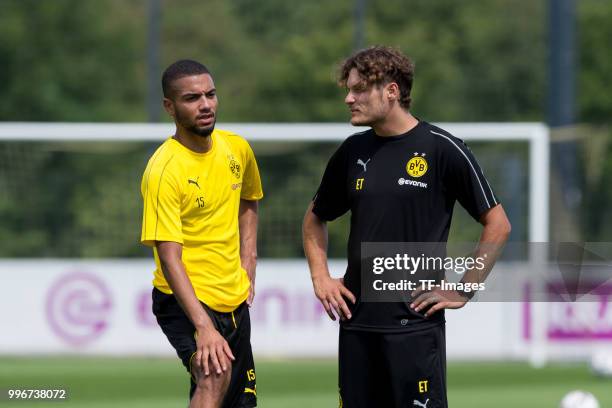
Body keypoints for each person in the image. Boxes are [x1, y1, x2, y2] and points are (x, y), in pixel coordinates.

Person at [302, 46, 511, 408]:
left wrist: (464, 290)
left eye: (359, 89)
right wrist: (320, 276)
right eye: (348, 90)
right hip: (357, 326)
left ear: (391, 91)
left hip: (414, 328)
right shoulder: (351, 153)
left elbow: (498, 224)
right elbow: (314, 218)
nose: (349, 98)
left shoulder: (442, 149)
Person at [141, 59, 263, 408]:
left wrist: (248, 259)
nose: (205, 104)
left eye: (210, 94)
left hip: (233, 300)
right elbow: (169, 257)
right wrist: (203, 326)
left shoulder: (237, 148)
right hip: (185, 300)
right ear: (170, 106)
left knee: (240, 402)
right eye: (192, 98)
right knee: (214, 374)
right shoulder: (164, 170)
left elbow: (249, 200)